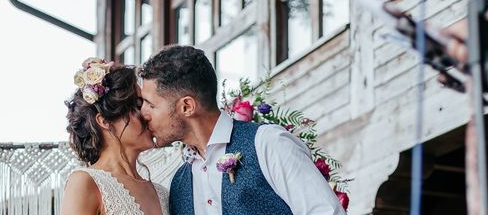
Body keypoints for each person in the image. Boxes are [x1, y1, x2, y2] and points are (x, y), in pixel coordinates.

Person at [138, 45, 346, 215]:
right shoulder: (178, 185)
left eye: (150, 105)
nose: (143, 114)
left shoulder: (268, 143)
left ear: (187, 107)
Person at [61, 57, 169, 215]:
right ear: (104, 120)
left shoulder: (163, 194)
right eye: (138, 106)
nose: (146, 114)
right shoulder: (85, 182)